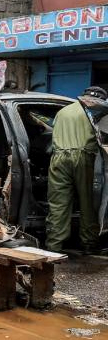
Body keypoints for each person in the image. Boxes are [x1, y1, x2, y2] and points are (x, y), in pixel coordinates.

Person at [45, 86, 106, 254]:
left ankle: (54, 246)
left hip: (58, 158)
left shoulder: (63, 111)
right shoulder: (96, 112)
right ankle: (89, 244)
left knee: (58, 204)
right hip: (85, 157)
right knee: (89, 202)